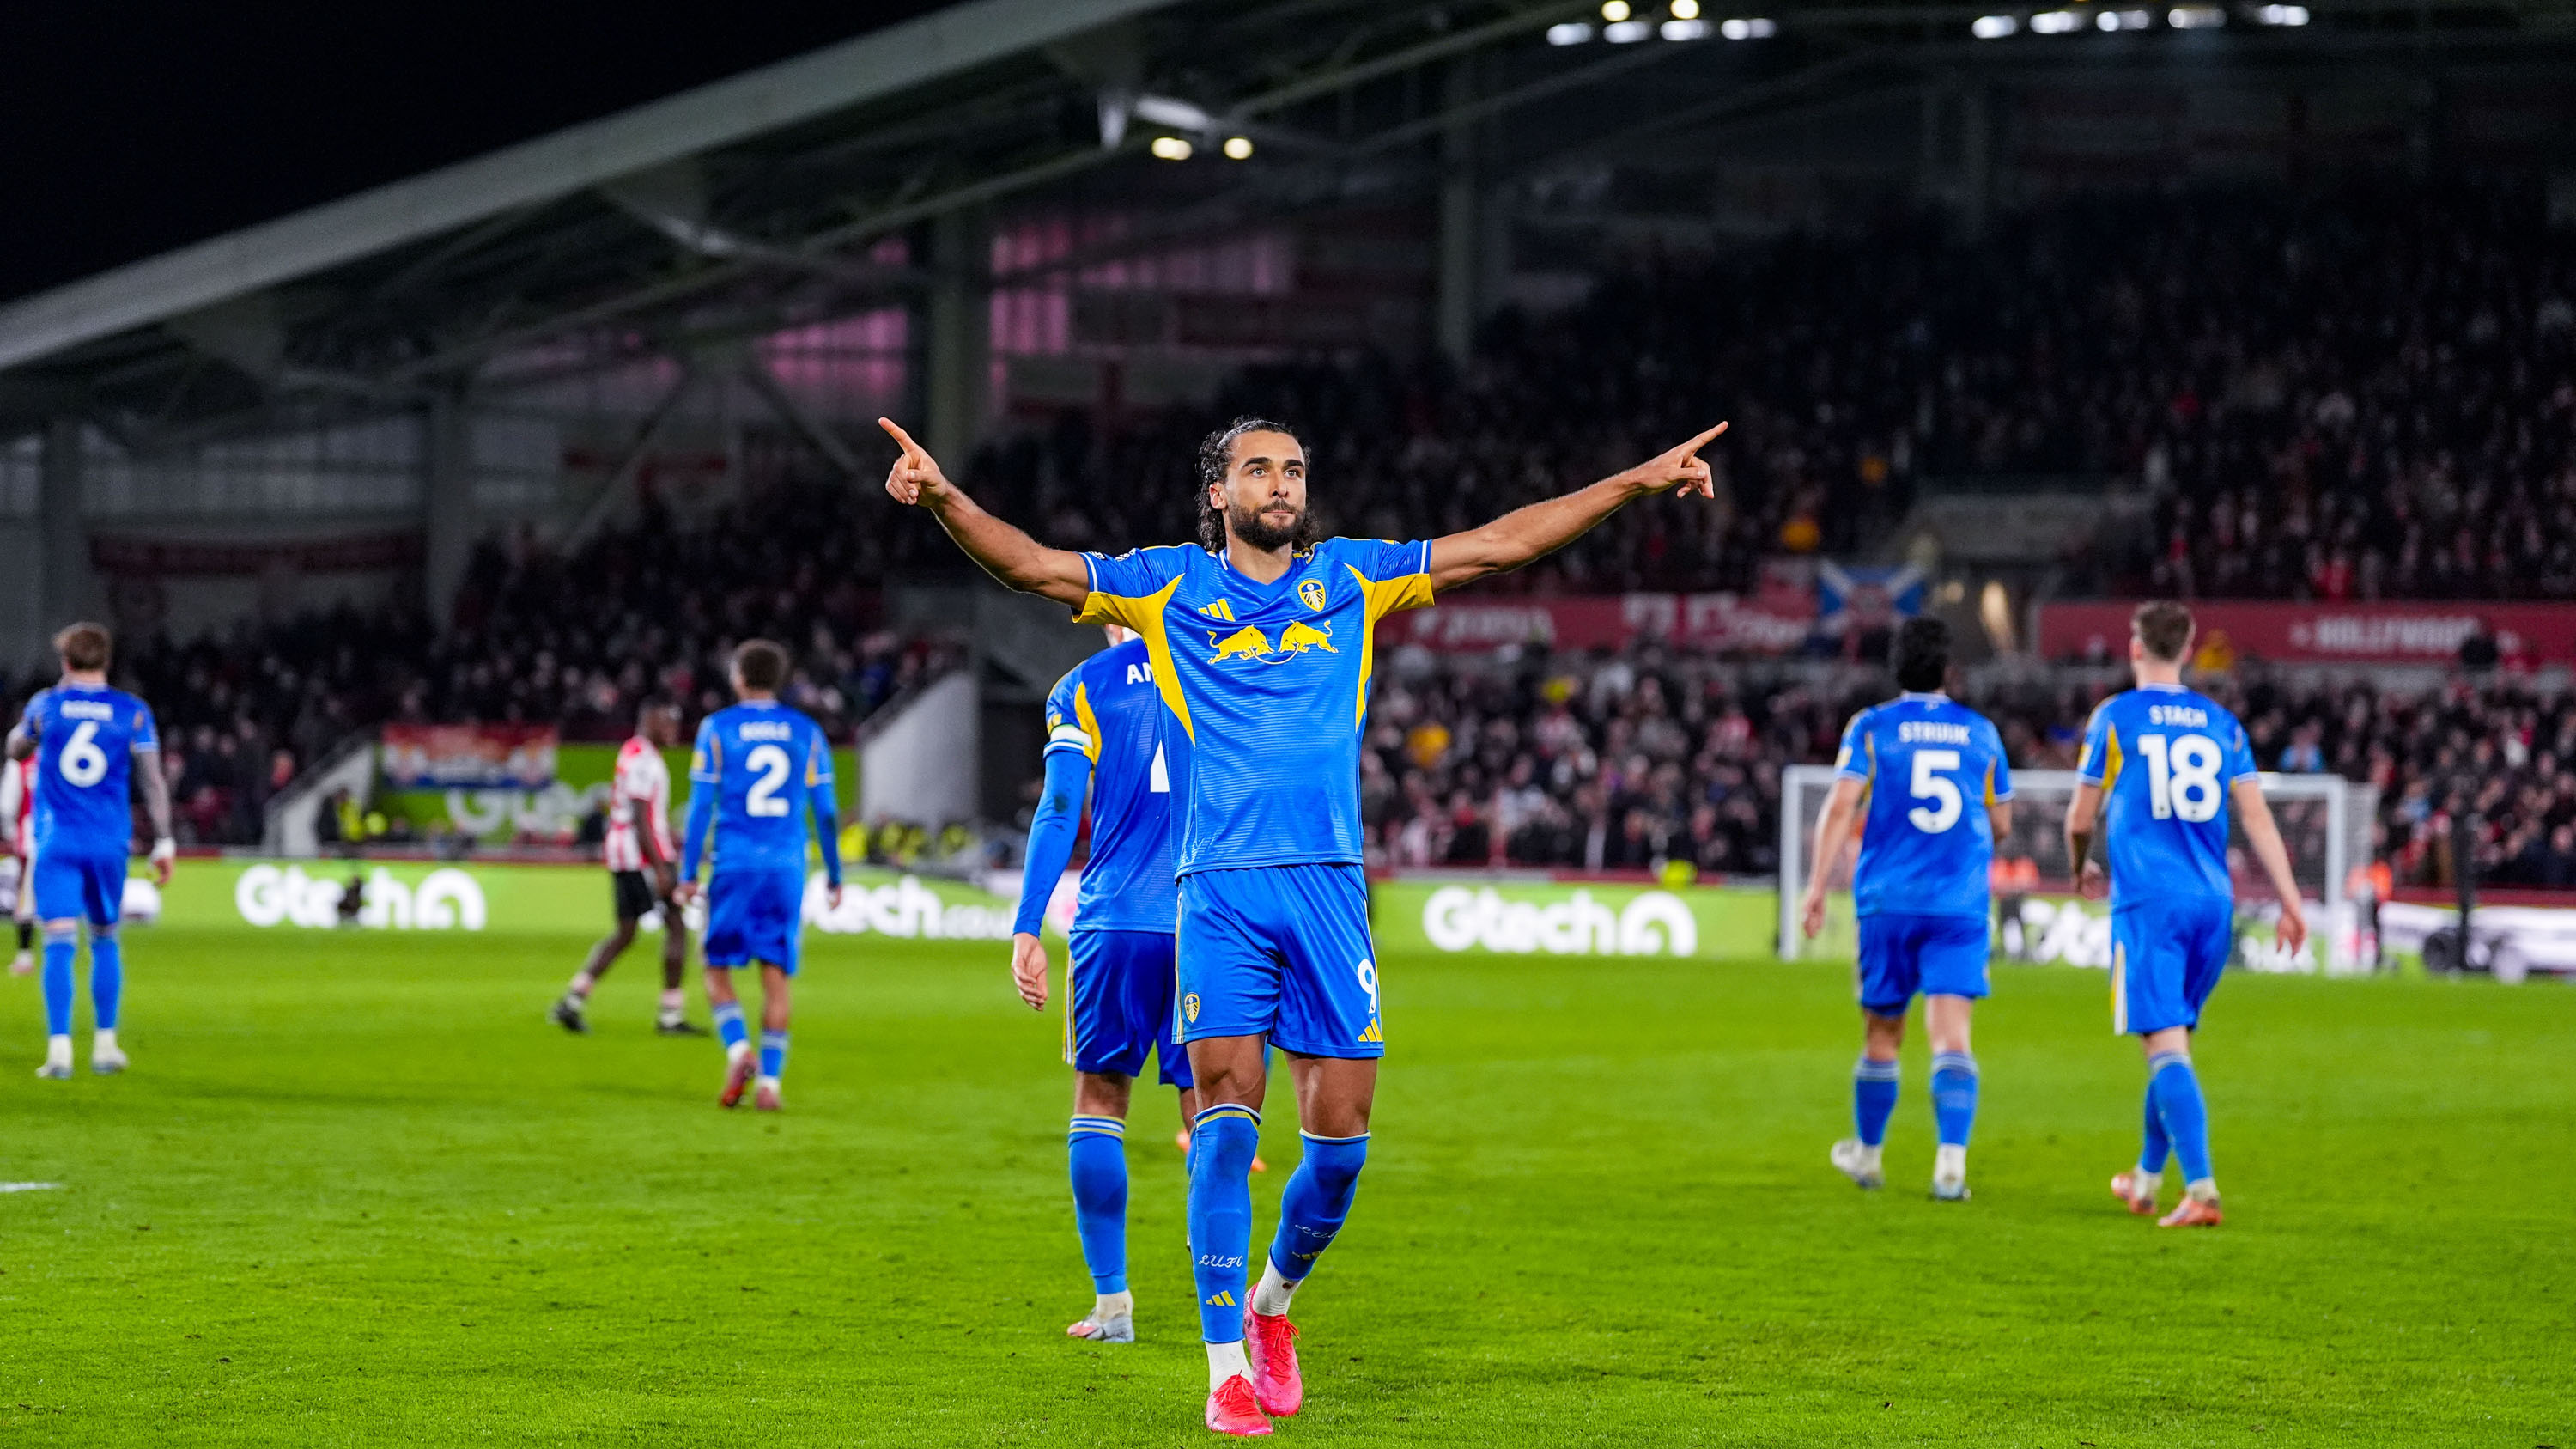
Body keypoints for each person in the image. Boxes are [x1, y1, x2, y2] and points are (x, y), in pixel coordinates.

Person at [878, 409, 1724, 1436]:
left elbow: (1503, 542)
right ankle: (1224, 1366)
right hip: (1219, 891)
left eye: (1293, 469)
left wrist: (1633, 480)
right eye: (1259, 469)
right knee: (1222, 1126)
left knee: (1339, 1153)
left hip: (1328, 891)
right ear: (1218, 494)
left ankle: (1272, 1300)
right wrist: (945, 497)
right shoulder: (1167, 587)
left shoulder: (1356, 576)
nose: (1281, 483)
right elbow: (1032, 567)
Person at [2066, 600, 2308, 1229]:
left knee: (2166, 1046)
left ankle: (2202, 1190)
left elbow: (2079, 817)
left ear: (2135, 647)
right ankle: (2146, 1178)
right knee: (2172, 1039)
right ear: (2190, 648)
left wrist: (2080, 862)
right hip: (2212, 903)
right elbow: (2256, 816)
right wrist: (2289, 899)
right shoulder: (2222, 723)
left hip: (2151, 900)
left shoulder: (2116, 716)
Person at [1009, 624, 1200, 1346]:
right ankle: (1224, 1301)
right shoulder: (1226, 659)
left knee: (1098, 1102)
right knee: (1212, 1111)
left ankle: (1113, 1305)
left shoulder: (1084, 684)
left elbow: (1060, 808)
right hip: (1207, 917)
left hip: (1116, 918)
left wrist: (1028, 923)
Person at [1796, 617, 2012, 1202]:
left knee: (1883, 1033)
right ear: (1948, 670)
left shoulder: (1871, 727)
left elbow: (1840, 805)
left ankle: (1868, 1156)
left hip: (1887, 901)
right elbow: (2001, 822)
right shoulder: (1981, 733)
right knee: (1952, 1036)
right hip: (1957, 905)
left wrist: (1816, 887)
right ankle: (1951, 1166)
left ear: (1896, 668)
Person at [672, 641, 843, 1112]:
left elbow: (700, 808)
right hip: (786, 866)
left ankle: (738, 1050)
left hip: (734, 862)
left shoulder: (717, 728)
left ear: (739, 678)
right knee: (776, 976)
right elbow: (827, 813)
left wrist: (687, 873)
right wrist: (834, 873)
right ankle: (769, 1084)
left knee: (714, 967)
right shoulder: (807, 732)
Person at [3, 623, 175, 1078]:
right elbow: (152, 780)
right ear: (107, 662)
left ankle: (59, 1053)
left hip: (57, 840)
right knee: (104, 938)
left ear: (66, 662)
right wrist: (164, 840)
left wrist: (40, 716)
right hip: (108, 842)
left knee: (59, 941)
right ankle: (105, 1047)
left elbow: (16, 749)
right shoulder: (132, 711)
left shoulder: (47, 705)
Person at [555, 700, 703, 1036]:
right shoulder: (644, 760)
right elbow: (639, 816)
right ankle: (671, 1016)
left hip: (627, 853)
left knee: (625, 932)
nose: (673, 731)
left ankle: (573, 999)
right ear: (648, 721)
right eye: (666, 723)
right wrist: (660, 867)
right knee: (676, 926)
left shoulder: (633, 751)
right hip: (641, 857)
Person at [3, 752, 35, 976]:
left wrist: (12, 834)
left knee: (26, 898)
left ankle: (25, 956)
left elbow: (6, 806)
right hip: (65, 837)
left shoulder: (20, 764)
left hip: (30, 837)